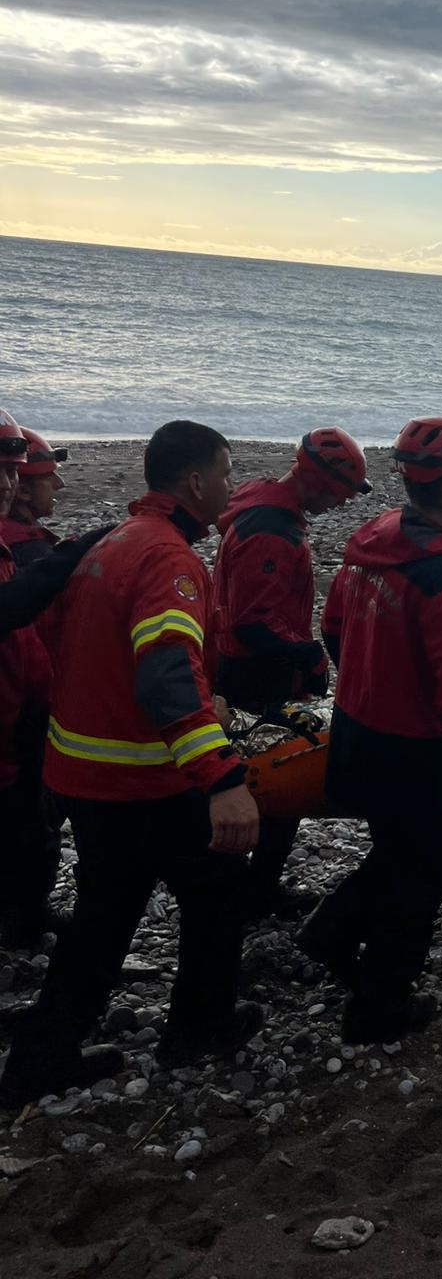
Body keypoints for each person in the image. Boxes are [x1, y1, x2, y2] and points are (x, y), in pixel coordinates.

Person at [0, 421, 261, 1108]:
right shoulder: (168, 559)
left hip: (81, 775)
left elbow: (90, 651)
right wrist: (223, 778)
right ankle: (199, 1028)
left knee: (104, 914)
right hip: (142, 780)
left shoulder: (110, 544)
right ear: (195, 482)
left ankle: (40, 1057)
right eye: (226, 474)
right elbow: (165, 677)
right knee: (217, 888)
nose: (231, 487)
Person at [298, 417, 442, 1044]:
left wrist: (372, 679)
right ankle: (377, 1012)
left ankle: (330, 931)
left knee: (397, 854)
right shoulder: (440, 577)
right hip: (411, 753)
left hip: (356, 733)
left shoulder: (371, 543)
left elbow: (334, 629)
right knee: (421, 880)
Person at [212, 427, 371, 920]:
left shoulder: (262, 506)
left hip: (241, 666)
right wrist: (309, 656)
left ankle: (245, 888)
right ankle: (249, 892)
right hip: (255, 674)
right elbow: (255, 621)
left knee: (259, 776)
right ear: (319, 482)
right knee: (275, 777)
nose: (343, 503)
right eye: (341, 493)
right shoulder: (271, 531)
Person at [0, 413, 57, 949]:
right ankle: (25, 920)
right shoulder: (28, 553)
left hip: (23, 708)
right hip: (19, 718)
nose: (55, 485)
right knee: (29, 824)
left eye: (15, 471)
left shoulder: (17, 549)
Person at [0, 428, 68, 565]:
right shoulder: (30, 551)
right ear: (23, 491)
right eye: (49, 476)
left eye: (11, 472)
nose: (60, 483)